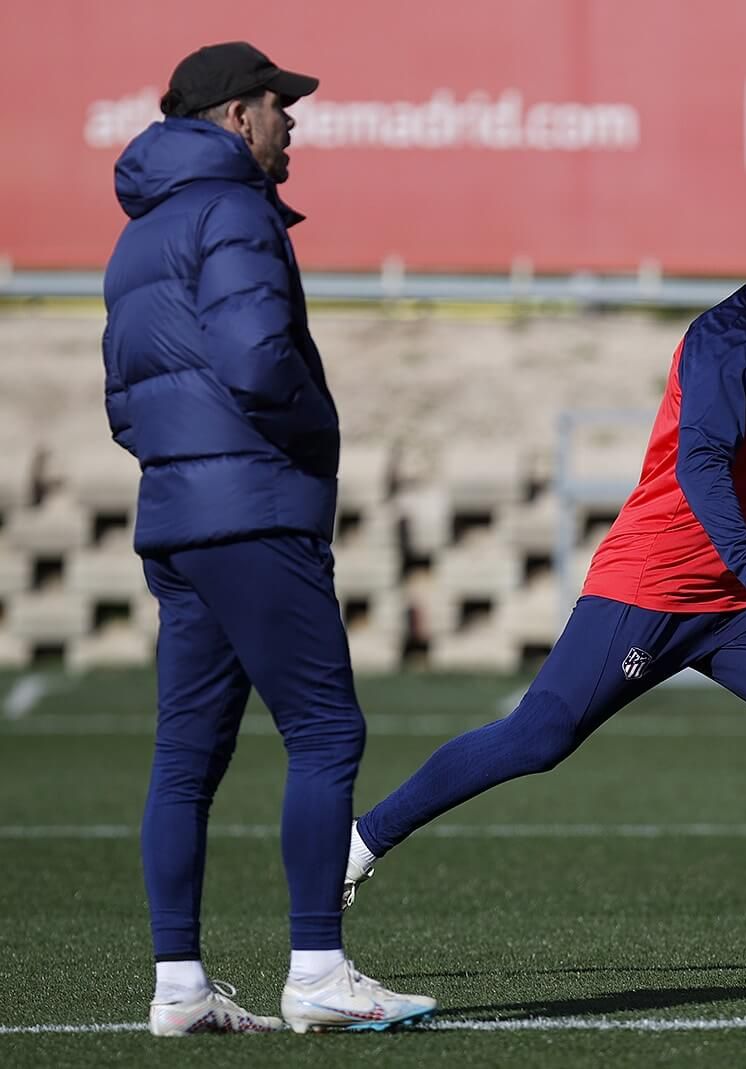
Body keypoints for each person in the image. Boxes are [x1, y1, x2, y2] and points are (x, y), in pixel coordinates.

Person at [344, 190, 746, 976]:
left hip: (729, 604)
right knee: (538, 738)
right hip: (649, 587)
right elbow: (701, 462)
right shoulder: (726, 342)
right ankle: (357, 842)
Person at [102, 41, 436, 1036]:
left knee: (185, 763)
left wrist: (185, 462)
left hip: (177, 517)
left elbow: (124, 405)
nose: (294, 123)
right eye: (281, 106)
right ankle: (318, 971)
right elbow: (255, 364)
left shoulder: (136, 236)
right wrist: (313, 432)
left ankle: (178, 987)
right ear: (237, 116)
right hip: (253, 508)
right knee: (328, 731)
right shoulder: (236, 206)